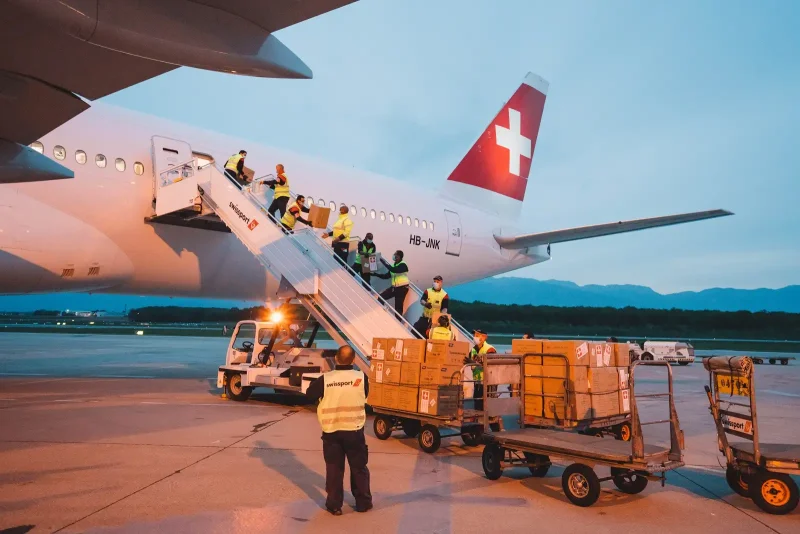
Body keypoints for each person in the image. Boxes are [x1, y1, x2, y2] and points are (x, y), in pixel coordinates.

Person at [305, 345, 372, 515]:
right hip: (355, 430)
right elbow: (365, 394)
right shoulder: (361, 377)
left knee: (334, 468)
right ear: (353, 360)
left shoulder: (326, 379)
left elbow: (309, 394)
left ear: (336, 359)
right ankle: (363, 503)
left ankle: (334, 505)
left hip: (332, 431)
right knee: (359, 467)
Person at [464, 329, 497, 408]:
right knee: (477, 402)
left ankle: (488, 418)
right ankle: (478, 418)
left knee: (486, 404)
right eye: (474, 335)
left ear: (484, 337)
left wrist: (473, 362)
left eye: (477, 335)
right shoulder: (473, 350)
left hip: (488, 382)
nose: (474, 337)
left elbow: (490, 365)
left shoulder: (490, 349)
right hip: (477, 381)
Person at [375, 250, 409, 316]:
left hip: (402, 288)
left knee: (398, 307)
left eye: (395, 254)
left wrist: (383, 262)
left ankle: (398, 321)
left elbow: (394, 270)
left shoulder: (403, 265)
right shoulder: (393, 265)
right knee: (381, 297)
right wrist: (376, 274)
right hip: (395, 288)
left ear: (399, 256)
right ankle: (382, 314)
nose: (394, 256)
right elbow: (386, 276)